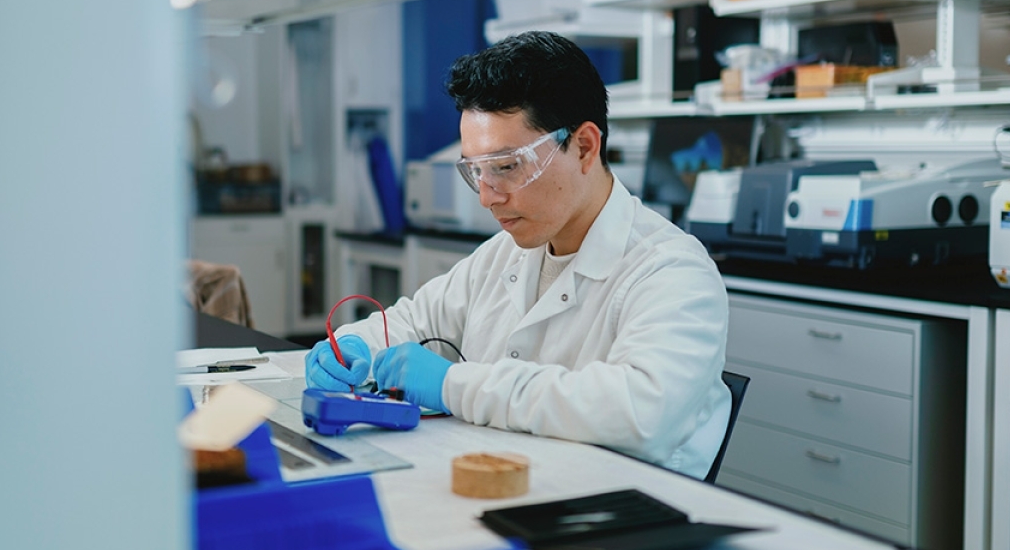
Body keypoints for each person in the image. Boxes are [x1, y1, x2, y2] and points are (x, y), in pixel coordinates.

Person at [305, 31, 732, 479]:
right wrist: (358, 347)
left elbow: (639, 412)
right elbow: (414, 320)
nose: (487, 198)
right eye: (476, 171)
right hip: (511, 482)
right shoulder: (504, 254)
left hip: (624, 515)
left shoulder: (672, 270)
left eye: (506, 167)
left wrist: (453, 385)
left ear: (584, 146)